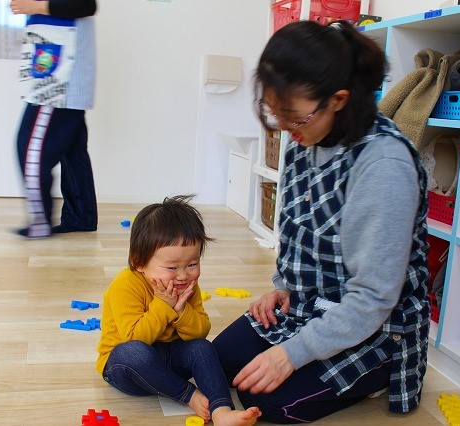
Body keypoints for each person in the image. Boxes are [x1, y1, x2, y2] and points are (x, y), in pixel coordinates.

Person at [213, 20, 430, 424]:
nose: (284, 128)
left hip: (376, 323)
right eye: (276, 114)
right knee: (218, 360)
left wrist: (291, 354)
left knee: (266, 399)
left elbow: (374, 298)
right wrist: (282, 286)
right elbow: (298, 231)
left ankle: (382, 370)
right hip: (309, 303)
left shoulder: (384, 166)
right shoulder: (307, 139)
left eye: (294, 117)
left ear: (339, 100)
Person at [96, 195, 261, 426]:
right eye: (172, 267)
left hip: (167, 362)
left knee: (202, 348)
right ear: (139, 262)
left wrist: (182, 312)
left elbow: (199, 333)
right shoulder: (125, 285)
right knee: (133, 352)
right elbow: (135, 338)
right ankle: (188, 395)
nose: (183, 275)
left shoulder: (187, 286)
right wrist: (163, 305)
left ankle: (221, 409)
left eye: (192, 264)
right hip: (126, 370)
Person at [10, 0, 98, 238]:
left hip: (59, 82)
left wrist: (35, 6)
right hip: (63, 78)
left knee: (30, 150)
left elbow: (85, 5)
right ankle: (81, 217)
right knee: (73, 153)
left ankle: (40, 221)